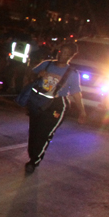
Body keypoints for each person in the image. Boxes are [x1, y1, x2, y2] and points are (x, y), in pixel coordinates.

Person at [24, 41, 86, 174]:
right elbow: (30, 73)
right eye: (61, 52)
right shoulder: (47, 64)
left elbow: (76, 93)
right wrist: (37, 75)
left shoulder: (72, 73)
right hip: (39, 101)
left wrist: (82, 111)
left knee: (45, 134)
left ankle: (34, 161)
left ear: (71, 56)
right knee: (34, 132)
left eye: (67, 54)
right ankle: (33, 155)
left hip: (56, 105)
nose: (63, 55)